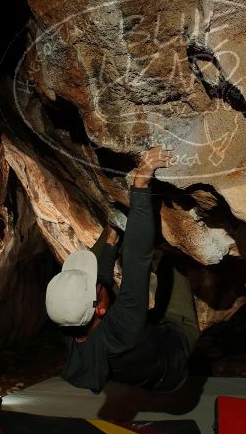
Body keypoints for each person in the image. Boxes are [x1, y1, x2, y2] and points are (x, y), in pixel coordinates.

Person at [45, 146, 200, 393]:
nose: (98, 280)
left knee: (126, 273)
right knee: (173, 262)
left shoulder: (70, 326)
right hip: (173, 354)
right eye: (94, 286)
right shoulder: (121, 330)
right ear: (101, 308)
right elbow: (137, 259)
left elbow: (102, 283)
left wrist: (108, 248)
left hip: (139, 353)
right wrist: (140, 184)